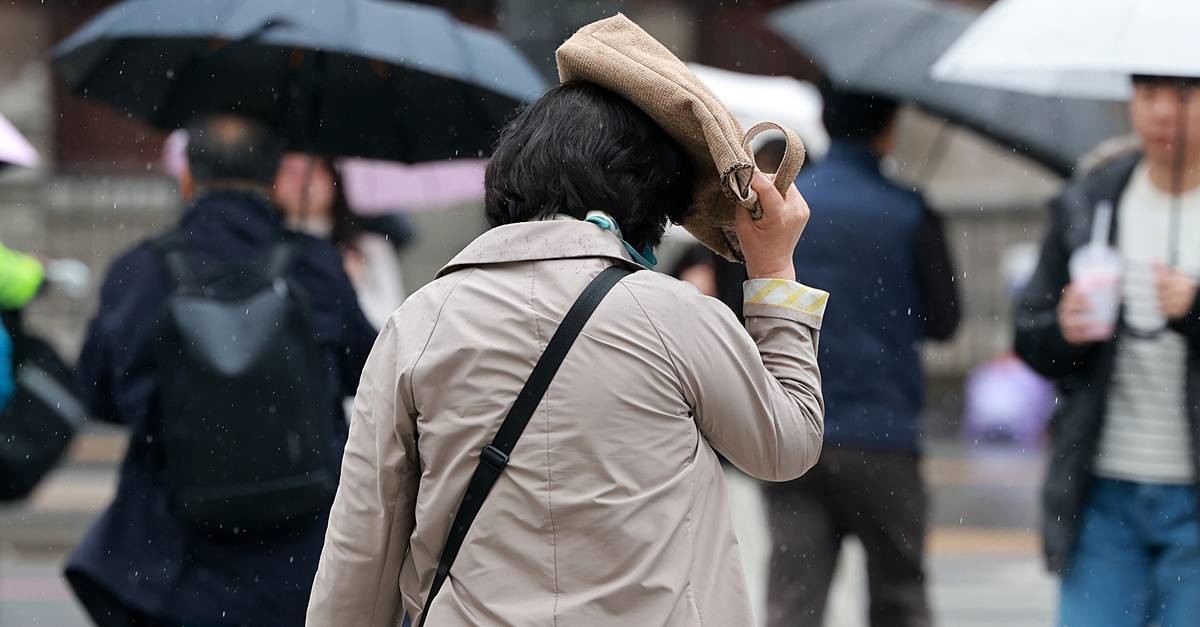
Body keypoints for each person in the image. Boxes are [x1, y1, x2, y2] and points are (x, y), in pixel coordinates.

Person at [305, 81, 826, 626]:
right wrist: (774, 270)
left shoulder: (418, 323)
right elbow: (786, 445)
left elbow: (363, 545)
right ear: (646, 205)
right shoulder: (676, 316)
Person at [66, 114, 377, 626]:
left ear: (188, 177)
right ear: (273, 178)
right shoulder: (315, 264)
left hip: (170, 560)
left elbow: (99, 394)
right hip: (298, 557)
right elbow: (366, 374)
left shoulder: (140, 269)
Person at [761, 88, 960, 627]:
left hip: (795, 432)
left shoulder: (789, 206)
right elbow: (946, 321)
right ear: (889, 127)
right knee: (899, 598)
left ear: (825, 121)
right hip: (883, 433)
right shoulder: (909, 211)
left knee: (793, 602)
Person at [1015, 74, 1200, 627]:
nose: (1163, 112)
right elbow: (1029, 336)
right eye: (1148, 95)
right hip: (1102, 491)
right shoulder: (1089, 201)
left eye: (1183, 95)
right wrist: (1064, 329)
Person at [272, 153, 414, 329]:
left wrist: (353, 285)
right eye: (290, 171)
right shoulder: (261, 247)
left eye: (313, 170)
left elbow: (389, 323)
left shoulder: (370, 248)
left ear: (334, 179)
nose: (301, 181)